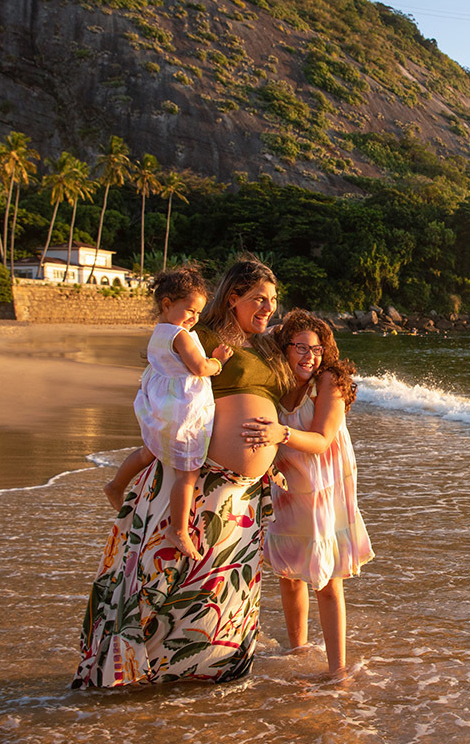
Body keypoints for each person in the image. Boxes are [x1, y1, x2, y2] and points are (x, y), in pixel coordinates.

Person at [73, 256, 288, 689]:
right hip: (196, 478)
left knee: (217, 589)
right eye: (258, 299)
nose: (268, 308)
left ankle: (208, 671)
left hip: (241, 496)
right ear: (233, 298)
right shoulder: (201, 337)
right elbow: (164, 390)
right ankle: (137, 671)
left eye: (274, 301)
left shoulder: (263, 347)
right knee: (164, 580)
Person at [242, 309, 374, 677]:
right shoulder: (275, 383)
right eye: (299, 347)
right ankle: (298, 650)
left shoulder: (329, 381)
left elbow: (320, 440)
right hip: (287, 486)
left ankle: (337, 669)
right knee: (289, 575)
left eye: (315, 349)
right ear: (283, 349)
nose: (308, 357)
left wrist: (280, 434)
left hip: (324, 487)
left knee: (328, 580)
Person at [102, 266, 233, 561]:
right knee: (188, 473)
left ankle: (116, 485)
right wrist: (218, 362)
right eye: (190, 310)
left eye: (198, 313)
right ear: (166, 304)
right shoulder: (181, 336)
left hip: (161, 405)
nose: (194, 319)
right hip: (181, 411)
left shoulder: (158, 334)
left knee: (148, 451)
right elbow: (199, 368)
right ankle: (178, 529)